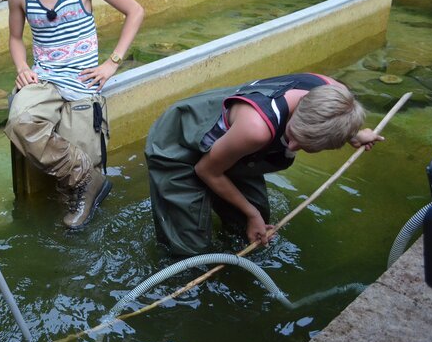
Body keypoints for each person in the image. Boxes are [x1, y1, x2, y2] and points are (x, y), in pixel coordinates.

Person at [5, 0, 144, 229]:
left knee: (81, 166)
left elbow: (134, 10)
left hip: (83, 82)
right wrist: (22, 66)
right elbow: (14, 38)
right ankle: (88, 179)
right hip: (45, 79)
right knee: (20, 122)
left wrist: (113, 62)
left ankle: (83, 191)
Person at [145, 73, 384, 257]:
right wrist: (251, 213)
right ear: (299, 107)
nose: (291, 148)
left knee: (251, 233)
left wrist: (353, 134)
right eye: (291, 136)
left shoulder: (335, 93)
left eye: (305, 146)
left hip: (233, 146)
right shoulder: (256, 130)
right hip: (180, 141)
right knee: (190, 246)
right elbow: (205, 170)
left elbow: (334, 120)